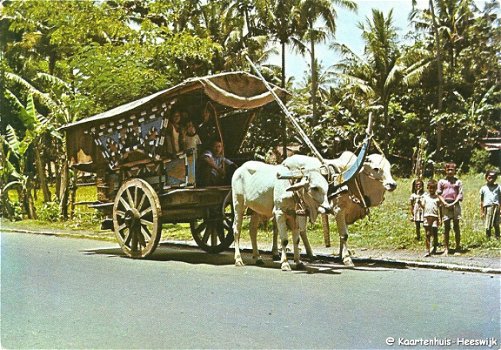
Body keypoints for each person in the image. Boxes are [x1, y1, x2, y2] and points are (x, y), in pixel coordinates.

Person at [437, 162, 463, 255]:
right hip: (445, 205)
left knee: (456, 227)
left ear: (455, 171)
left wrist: (453, 203)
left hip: (455, 205)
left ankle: (457, 248)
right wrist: (444, 203)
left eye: (452, 170)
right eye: (448, 170)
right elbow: (439, 194)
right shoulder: (441, 182)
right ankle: (446, 248)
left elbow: (460, 194)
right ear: (445, 171)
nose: (450, 172)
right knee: (446, 227)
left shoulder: (458, 182)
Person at [421, 179, 449, 257]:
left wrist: (440, 218)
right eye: (430, 188)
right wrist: (419, 203)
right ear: (428, 188)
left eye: (433, 188)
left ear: (436, 188)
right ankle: (427, 250)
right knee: (427, 233)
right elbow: (423, 206)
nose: (431, 190)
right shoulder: (425, 197)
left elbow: (440, 208)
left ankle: (434, 247)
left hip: (435, 217)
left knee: (434, 232)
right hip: (427, 216)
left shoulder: (437, 198)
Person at [480, 170, 500, 239]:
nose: (491, 179)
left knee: (496, 224)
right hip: (487, 207)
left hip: (496, 207)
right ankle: (488, 238)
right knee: (488, 224)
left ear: (495, 178)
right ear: (486, 177)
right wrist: (482, 211)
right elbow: (482, 201)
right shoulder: (483, 188)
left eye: (493, 177)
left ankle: (498, 237)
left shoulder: (498, 187)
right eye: (489, 177)